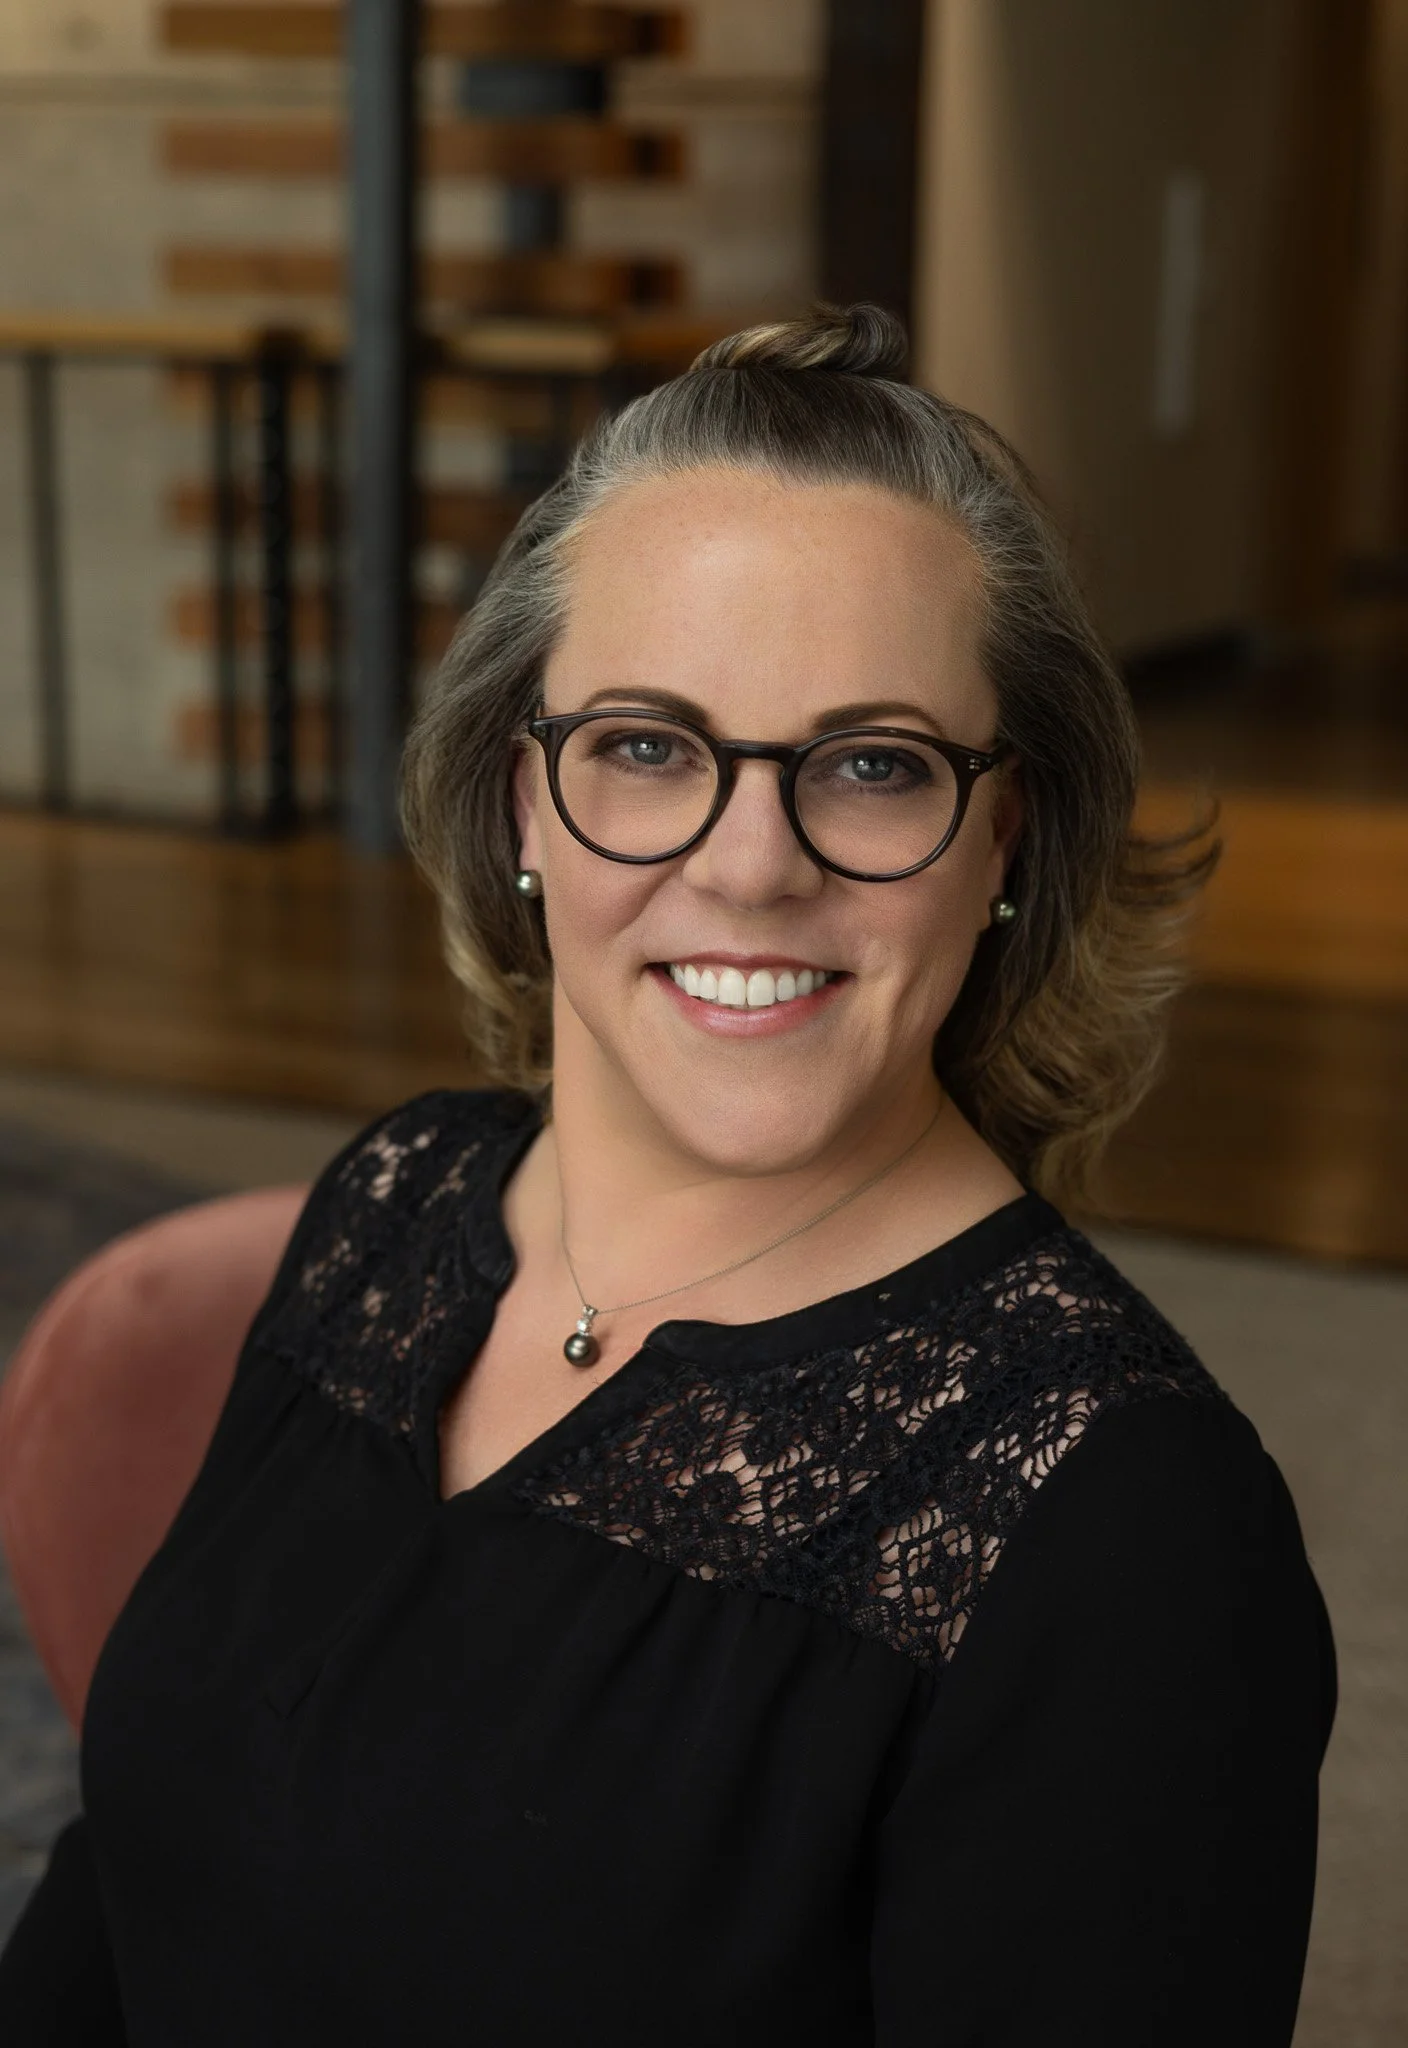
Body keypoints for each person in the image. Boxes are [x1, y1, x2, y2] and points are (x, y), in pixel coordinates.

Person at [0, 302, 1336, 2045]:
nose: (751, 865)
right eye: (647, 745)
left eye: (872, 766)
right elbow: (133, 1882)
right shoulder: (399, 1205)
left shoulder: (1130, 1534)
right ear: (522, 806)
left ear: (1002, 840)